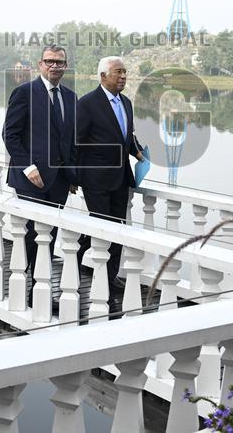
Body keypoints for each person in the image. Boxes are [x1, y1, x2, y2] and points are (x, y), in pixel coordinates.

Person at [2, 45, 78, 298]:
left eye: (60, 62)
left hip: (58, 180)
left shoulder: (70, 97)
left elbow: (69, 139)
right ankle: (22, 281)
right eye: (50, 61)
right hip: (29, 178)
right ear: (40, 64)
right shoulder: (24, 92)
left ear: (65, 66)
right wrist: (28, 167)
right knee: (32, 233)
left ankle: (39, 287)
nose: (55, 66)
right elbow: (10, 135)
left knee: (50, 234)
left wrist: (71, 175)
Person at [76, 56, 144, 298]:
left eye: (125, 72)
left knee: (118, 229)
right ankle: (77, 258)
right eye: (118, 72)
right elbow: (76, 142)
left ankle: (109, 276)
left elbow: (127, 135)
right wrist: (74, 176)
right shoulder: (87, 103)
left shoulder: (126, 103)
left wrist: (137, 152)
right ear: (103, 76)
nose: (123, 76)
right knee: (101, 226)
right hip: (95, 180)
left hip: (121, 178)